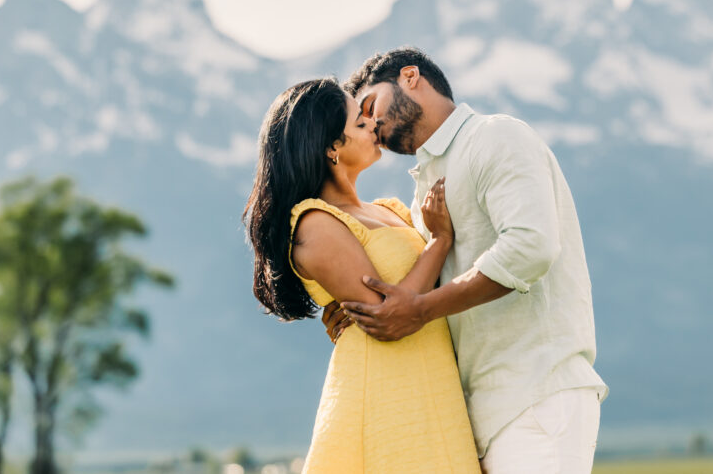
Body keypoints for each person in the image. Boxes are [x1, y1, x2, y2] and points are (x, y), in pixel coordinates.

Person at [326, 47, 608, 473]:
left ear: (409, 76)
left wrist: (419, 310)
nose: (372, 125)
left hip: (538, 394)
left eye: (371, 105)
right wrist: (358, 312)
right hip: (472, 413)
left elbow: (531, 246)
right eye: (361, 120)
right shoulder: (422, 192)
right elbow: (419, 289)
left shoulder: (496, 136)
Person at [243, 77, 481, 473]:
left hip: (434, 386)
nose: (373, 125)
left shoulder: (391, 210)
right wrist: (439, 240)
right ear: (333, 148)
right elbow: (390, 317)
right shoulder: (315, 224)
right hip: (387, 396)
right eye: (359, 122)